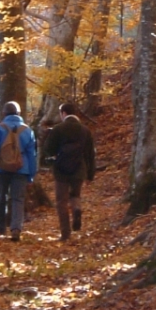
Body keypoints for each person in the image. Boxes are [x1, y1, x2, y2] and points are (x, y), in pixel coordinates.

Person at [0, 101, 37, 241]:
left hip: (1, 168)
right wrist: (31, 175)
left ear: (4, 113)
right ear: (19, 113)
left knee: (1, 198)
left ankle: (0, 229)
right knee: (18, 199)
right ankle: (16, 228)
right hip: (22, 169)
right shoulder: (28, 130)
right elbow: (32, 155)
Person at [43, 102, 95, 241]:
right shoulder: (85, 130)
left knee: (61, 201)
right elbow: (90, 154)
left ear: (64, 113)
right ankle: (77, 208)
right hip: (80, 168)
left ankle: (65, 234)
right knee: (75, 195)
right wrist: (90, 174)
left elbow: (48, 149)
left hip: (61, 170)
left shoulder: (58, 129)